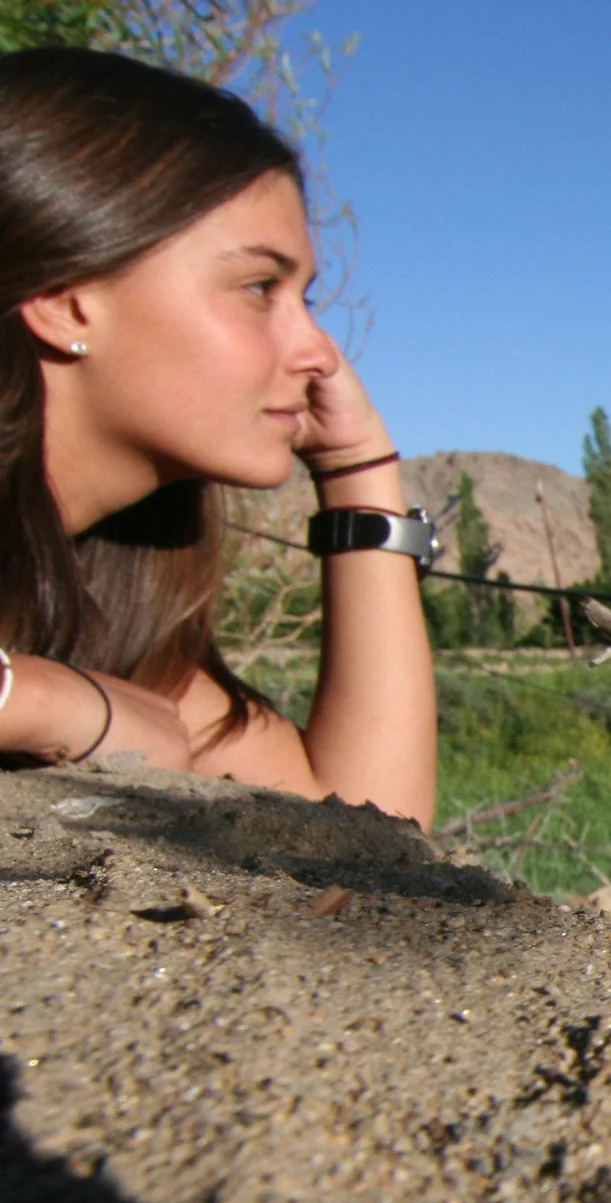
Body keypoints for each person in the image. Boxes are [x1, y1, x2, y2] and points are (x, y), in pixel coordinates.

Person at [0, 47, 435, 828]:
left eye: (304, 295)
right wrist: (52, 702)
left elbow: (365, 846)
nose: (320, 351)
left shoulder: (106, 596)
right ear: (65, 302)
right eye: (259, 287)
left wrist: (359, 475)